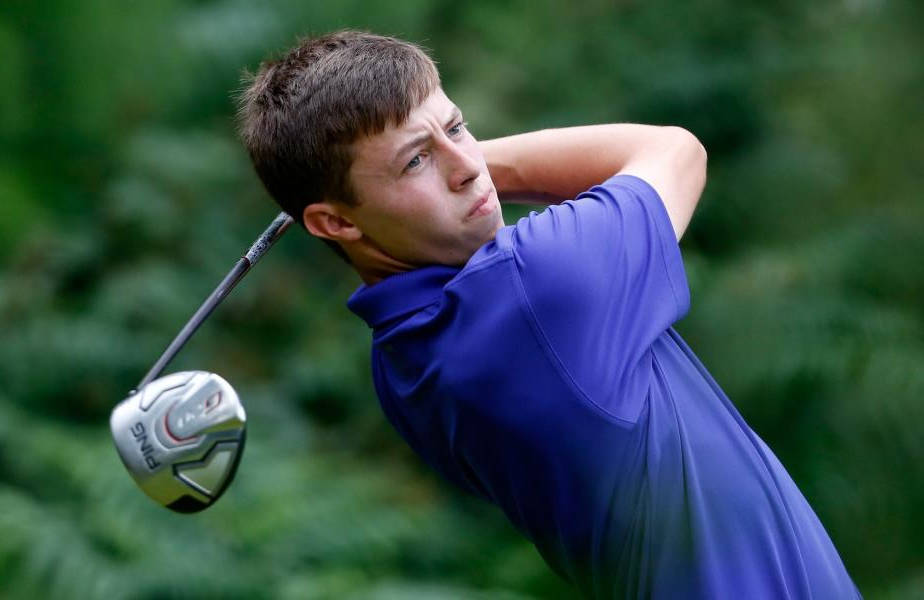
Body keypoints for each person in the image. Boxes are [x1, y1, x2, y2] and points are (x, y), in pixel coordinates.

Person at [238, 30, 861, 599]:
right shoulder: (536, 289)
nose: (466, 167)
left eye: (457, 129)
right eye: (415, 162)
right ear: (336, 222)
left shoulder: (399, 365)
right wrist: (485, 167)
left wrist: (434, 156)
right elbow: (673, 150)